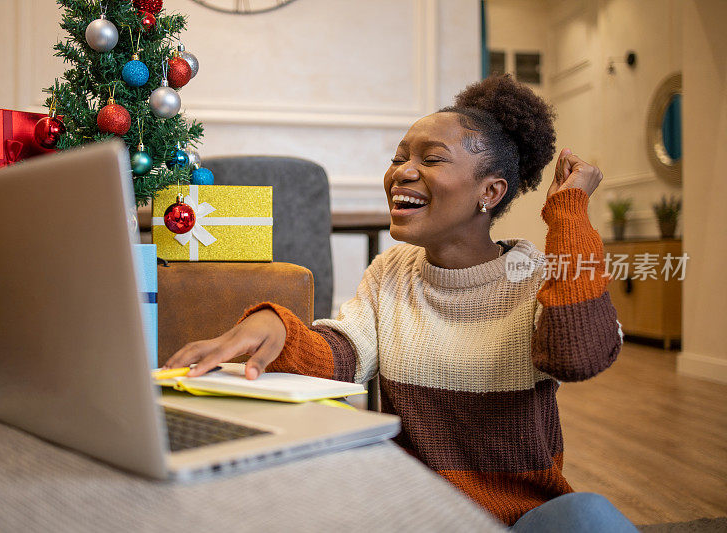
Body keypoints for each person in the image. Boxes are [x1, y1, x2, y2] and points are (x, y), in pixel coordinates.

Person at [163, 74, 637, 531]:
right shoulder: (391, 272)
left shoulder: (536, 279)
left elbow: (577, 353)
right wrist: (280, 327)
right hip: (414, 511)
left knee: (588, 514)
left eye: (431, 159)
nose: (402, 172)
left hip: (522, 517)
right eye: (399, 157)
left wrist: (569, 210)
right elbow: (343, 355)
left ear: (489, 193)